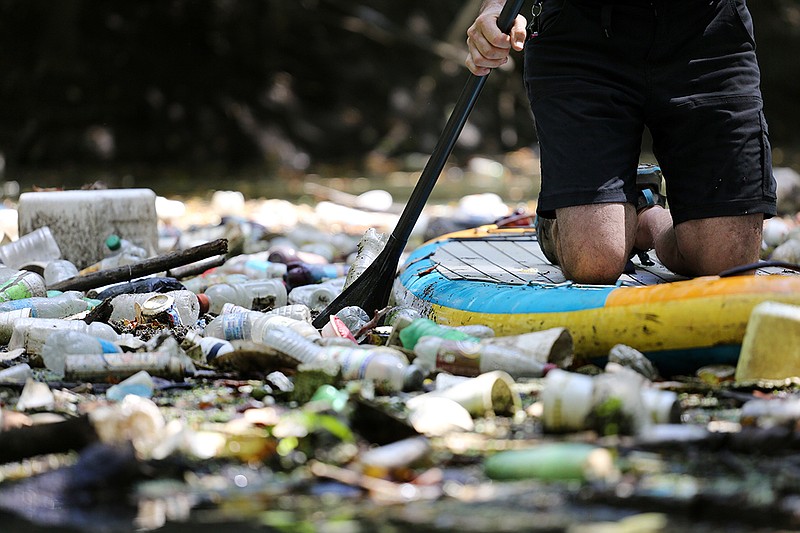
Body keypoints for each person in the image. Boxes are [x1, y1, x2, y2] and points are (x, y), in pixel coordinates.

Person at [466, 0, 777, 284]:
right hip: (581, 33)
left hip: (707, 31)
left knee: (727, 263)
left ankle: (645, 216)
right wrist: (495, 8)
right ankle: (558, 219)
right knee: (595, 261)